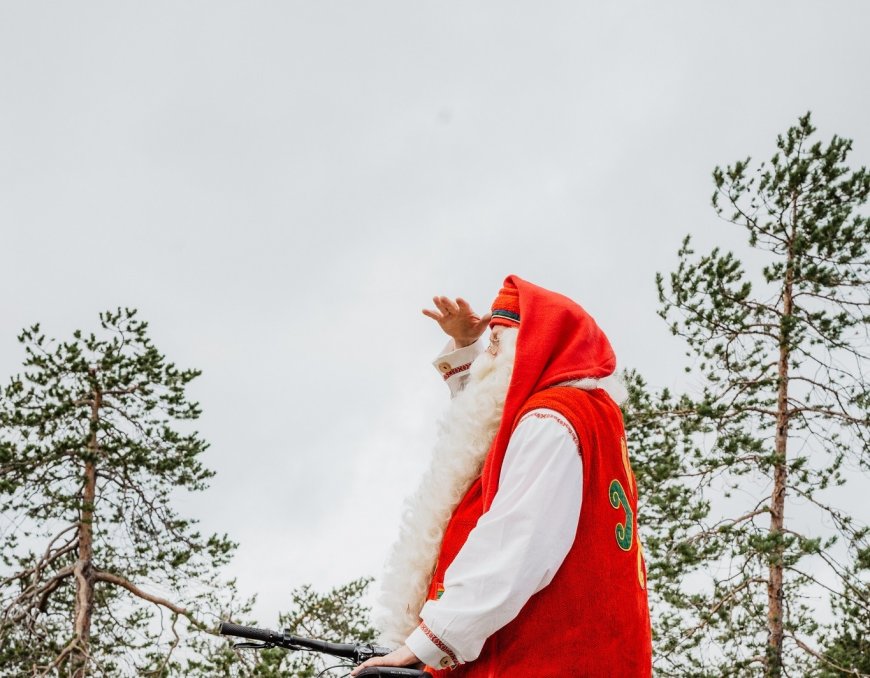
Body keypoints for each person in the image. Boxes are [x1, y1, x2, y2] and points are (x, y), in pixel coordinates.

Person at [352, 275, 652, 678]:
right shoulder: (588, 411)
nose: (487, 359)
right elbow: (485, 437)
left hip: (537, 660)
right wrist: (466, 348)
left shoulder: (551, 421)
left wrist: (427, 643)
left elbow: (515, 542)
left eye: (496, 345)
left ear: (531, 350)